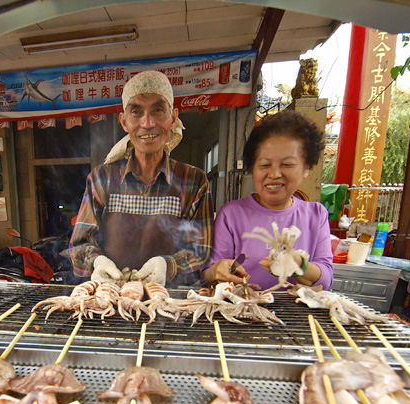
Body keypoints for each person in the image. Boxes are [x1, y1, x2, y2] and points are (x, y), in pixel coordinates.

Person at [69, 70, 213, 287]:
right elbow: (79, 246)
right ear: (124, 122)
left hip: (168, 302)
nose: (147, 123)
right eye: (136, 112)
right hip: (111, 300)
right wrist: (96, 262)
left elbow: (202, 252)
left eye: (158, 110)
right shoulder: (102, 178)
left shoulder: (193, 181)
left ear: (173, 117)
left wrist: (169, 266)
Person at [203, 110, 333, 290]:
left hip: (299, 314)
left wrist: (296, 264)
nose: (274, 174)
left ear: (306, 168)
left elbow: (325, 280)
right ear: (252, 167)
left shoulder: (316, 215)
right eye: (264, 165)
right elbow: (209, 274)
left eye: (287, 165)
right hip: (242, 311)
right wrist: (217, 270)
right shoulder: (231, 214)